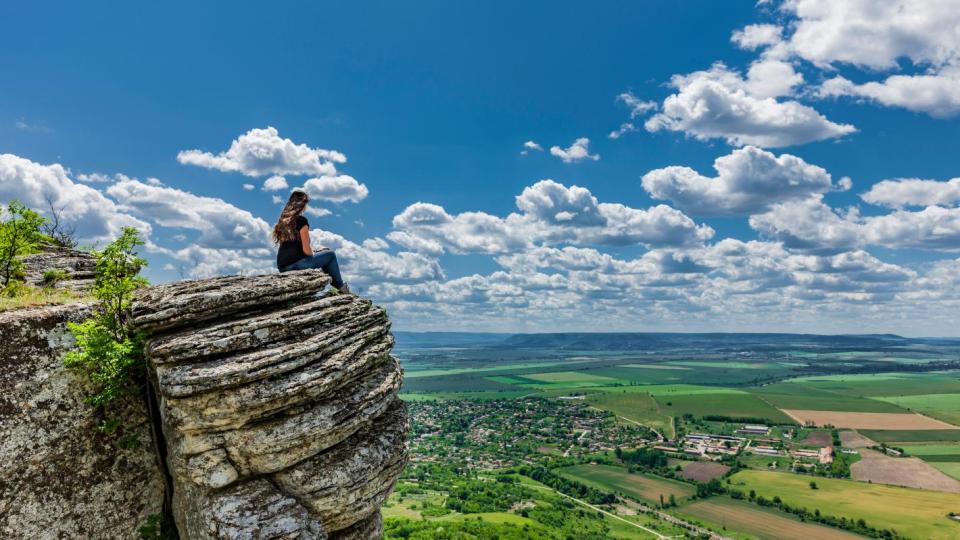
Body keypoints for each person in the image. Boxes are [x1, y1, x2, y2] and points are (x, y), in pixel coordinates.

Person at [273, 189, 350, 293]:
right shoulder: (301, 220)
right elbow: (306, 251)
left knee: (323, 255)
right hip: (297, 265)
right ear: (303, 205)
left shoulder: (283, 222)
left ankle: (336, 287)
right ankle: (341, 288)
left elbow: (295, 248)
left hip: (282, 267)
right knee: (330, 255)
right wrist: (316, 253)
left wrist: (316, 251)